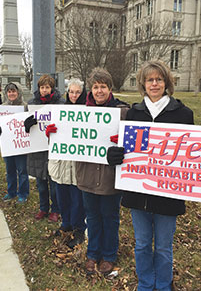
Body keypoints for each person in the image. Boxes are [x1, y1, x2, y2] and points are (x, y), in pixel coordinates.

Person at [107, 60, 194, 291]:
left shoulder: (184, 114)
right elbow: (125, 150)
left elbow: (189, 157)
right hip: (138, 192)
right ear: (143, 84)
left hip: (168, 193)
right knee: (143, 243)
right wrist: (115, 156)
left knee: (164, 246)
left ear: (166, 82)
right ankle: (146, 284)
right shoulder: (134, 113)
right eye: (149, 80)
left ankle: (164, 285)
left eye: (158, 79)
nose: (154, 83)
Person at [74, 68, 129, 275]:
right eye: (95, 87)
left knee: (110, 216)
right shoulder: (79, 113)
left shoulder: (122, 112)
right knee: (93, 216)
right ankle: (93, 253)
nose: (99, 91)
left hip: (110, 177)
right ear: (91, 89)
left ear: (110, 89)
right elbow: (64, 135)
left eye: (103, 87)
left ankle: (109, 255)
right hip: (87, 175)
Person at [47, 78, 87, 249]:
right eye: (71, 91)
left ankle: (79, 229)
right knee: (62, 195)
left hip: (78, 163)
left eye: (78, 92)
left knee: (78, 199)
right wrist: (49, 133)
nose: (74, 95)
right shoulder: (60, 111)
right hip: (62, 162)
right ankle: (66, 224)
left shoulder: (89, 111)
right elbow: (52, 138)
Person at [24, 74, 64, 222]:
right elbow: (24, 127)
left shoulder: (61, 104)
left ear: (52, 88)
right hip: (38, 149)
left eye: (47, 87)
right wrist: (27, 124)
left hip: (54, 148)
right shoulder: (31, 104)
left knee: (54, 182)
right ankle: (43, 208)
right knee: (41, 183)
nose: (45, 90)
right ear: (39, 88)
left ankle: (56, 209)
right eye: (42, 87)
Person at [0, 82, 29, 203]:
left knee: (22, 170)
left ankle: (23, 193)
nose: (11, 93)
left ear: (18, 92)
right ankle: (11, 192)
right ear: (6, 93)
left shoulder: (25, 107)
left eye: (13, 91)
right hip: (8, 145)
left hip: (20, 144)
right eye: (9, 91)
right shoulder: (2, 107)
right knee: (10, 170)